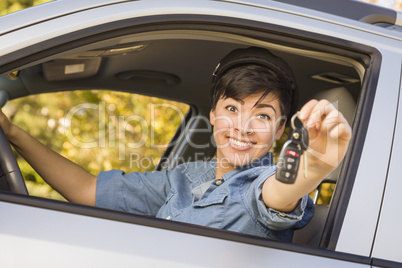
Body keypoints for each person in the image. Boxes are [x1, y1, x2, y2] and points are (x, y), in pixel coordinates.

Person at [0, 47, 351, 242]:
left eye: (261, 115)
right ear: (213, 115)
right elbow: (87, 189)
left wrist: (314, 165)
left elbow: (278, 194)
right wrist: (13, 133)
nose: (242, 126)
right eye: (232, 108)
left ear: (278, 132)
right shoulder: (187, 177)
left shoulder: (261, 184)